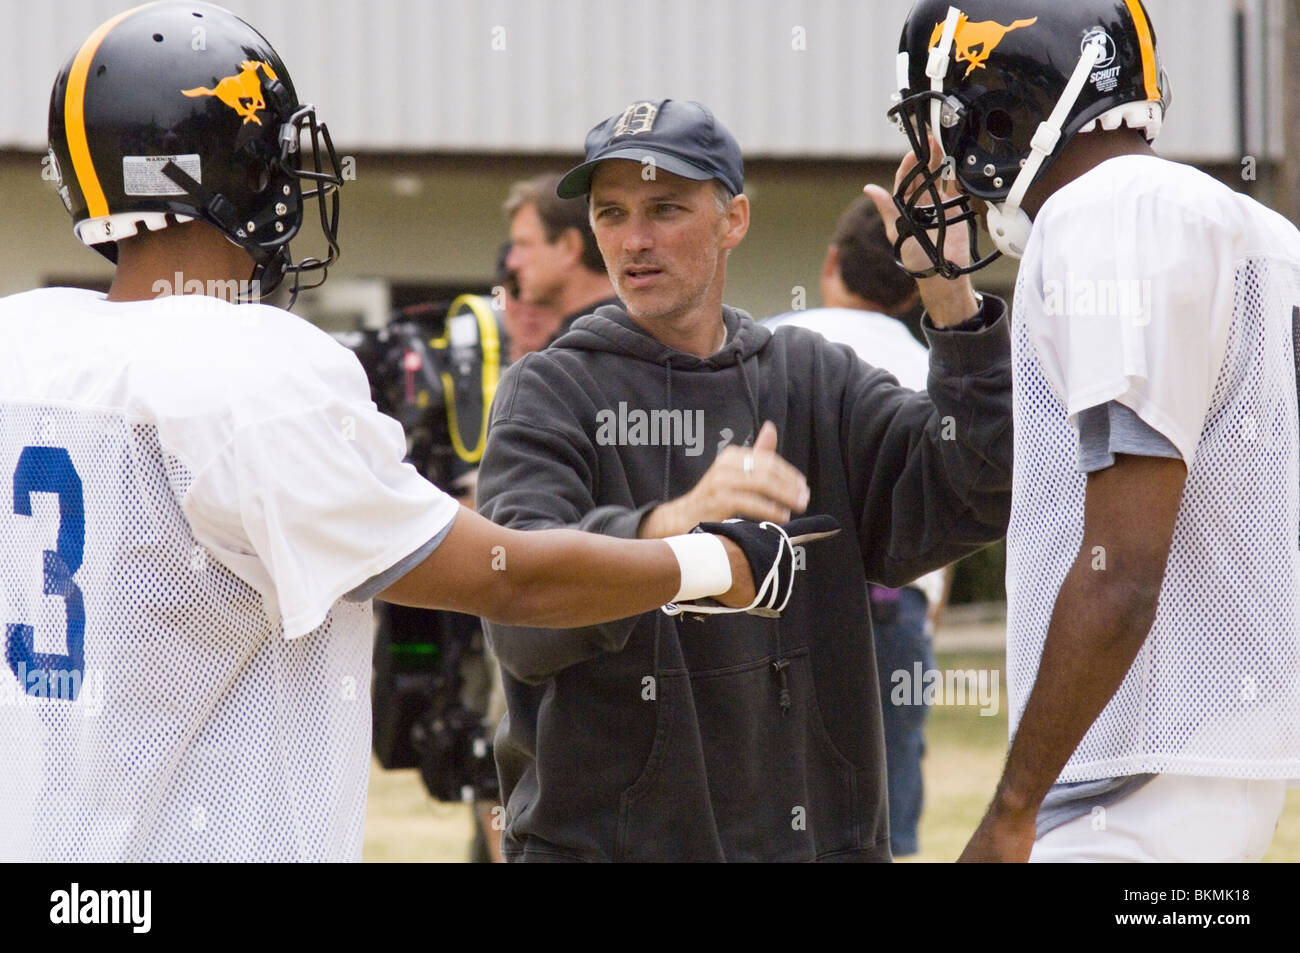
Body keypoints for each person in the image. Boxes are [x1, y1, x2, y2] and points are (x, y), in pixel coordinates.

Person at [0, 3, 802, 863]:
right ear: (228, 171)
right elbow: (510, 580)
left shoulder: (25, 344)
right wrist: (722, 563)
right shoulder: (246, 367)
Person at [476, 97, 1015, 862]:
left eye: (665, 208)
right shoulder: (550, 391)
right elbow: (520, 610)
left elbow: (979, 485)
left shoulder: (813, 379)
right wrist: (673, 527)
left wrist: (950, 296)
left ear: (734, 219)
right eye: (611, 212)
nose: (633, 239)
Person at [875, 0, 1300, 862]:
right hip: (1212, 748)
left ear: (1003, 106)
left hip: (1137, 768)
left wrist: (1010, 810)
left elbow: (1124, 568)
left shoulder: (1112, 213)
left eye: (949, 118)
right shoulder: (1254, 231)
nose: (940, 155)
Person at [765, 196, 954, 857]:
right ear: (909, 292)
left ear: (830, 262)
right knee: (883, 818)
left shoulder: (766, 340)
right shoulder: (931, 367)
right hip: (889, 604)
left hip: (763, 599)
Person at [503, 173, 622, 343]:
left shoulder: (594, 348)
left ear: (569, 246)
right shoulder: (640, 329)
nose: (512, 262)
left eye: (524, 245)